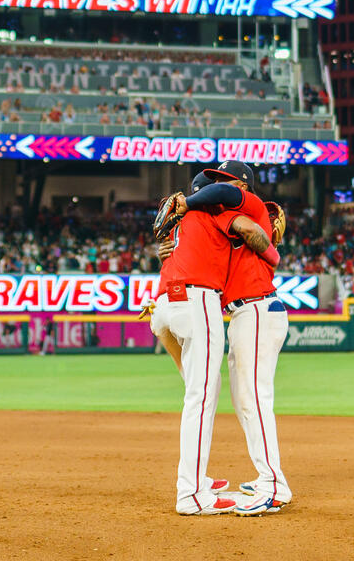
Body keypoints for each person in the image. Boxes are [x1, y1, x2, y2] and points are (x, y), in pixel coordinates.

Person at [149, 175, 279, 515]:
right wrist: (273, 254)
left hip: (162, 306)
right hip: (196, 300)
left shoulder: (179, 221)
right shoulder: (215, 212)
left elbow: (165, 243)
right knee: (201, 397)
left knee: (199, 390)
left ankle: (198, 481)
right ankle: (191, 492)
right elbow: (254, 234)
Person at [187, 160, 292, 515]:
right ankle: (267, 478)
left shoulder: (249, 203)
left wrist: (188, 202)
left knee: (254, 397)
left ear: (242, 186)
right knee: (244, 397)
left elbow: (227, 199)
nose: (219, 187)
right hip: (245, 312)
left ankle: (273, 484)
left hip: (259, 308)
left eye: (227, 181)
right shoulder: (223, 225)